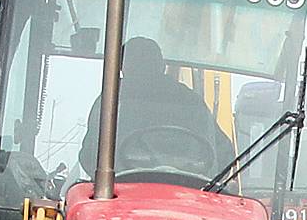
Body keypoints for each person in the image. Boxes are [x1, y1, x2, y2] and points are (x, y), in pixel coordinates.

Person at [79, 37, 228, 179]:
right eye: (138, 63)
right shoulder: (189, 99)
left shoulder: (110, 98)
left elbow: (89, 156)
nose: (142, 69)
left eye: (145, 63)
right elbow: (223, 153)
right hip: (184, 194)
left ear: (121, 67)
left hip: (122, 193)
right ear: (162, 66)